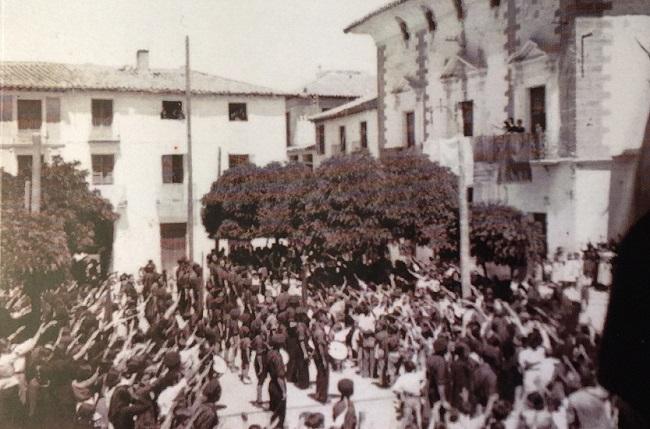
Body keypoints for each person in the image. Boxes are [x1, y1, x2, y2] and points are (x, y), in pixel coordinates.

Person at [267, 334, 287, 428]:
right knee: (280, 414)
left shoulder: (269, 353)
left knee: (274, 412)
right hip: (278, 387)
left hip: (271, 384)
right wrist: (283, 392)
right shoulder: (278, 357)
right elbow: (279, 377)